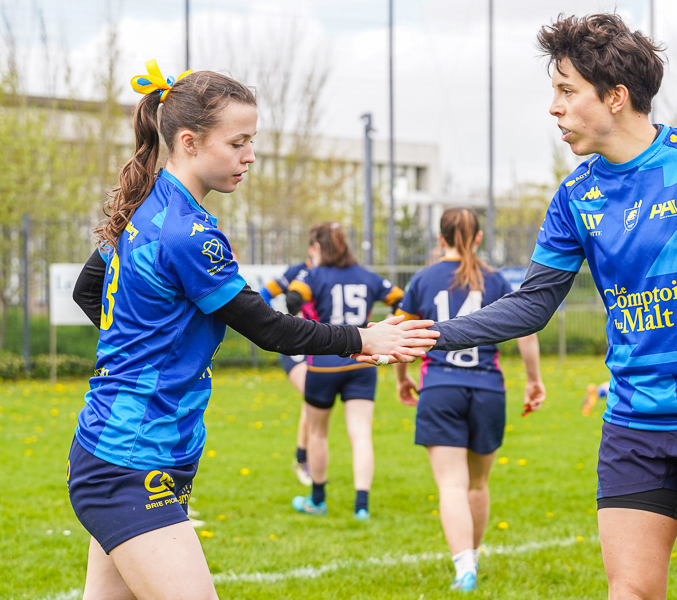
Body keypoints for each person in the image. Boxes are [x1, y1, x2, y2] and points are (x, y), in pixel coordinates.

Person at [407, 15, 677, 600]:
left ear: (616, 97)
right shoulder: (576, 195)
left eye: (567, 90)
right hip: (633, 424)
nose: (554, 107)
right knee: (630, 592)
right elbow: (531, 306)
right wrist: (430, 334)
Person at [67, 60, 438, 600]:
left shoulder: (147, 208)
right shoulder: (188, 232)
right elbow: (267, 328)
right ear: (190, 143)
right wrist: (364, 339)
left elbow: (88, 290)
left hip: (129, 450)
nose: (250, 156)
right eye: (238, 142)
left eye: (252, 141)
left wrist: (147, 344)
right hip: (132, 459)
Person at [394, 207, 545, 592]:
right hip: (488, 389)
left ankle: (464, 569)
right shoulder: (494, 280)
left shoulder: (424, 278)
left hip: (440, 386)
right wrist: (533, 380)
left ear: (440, 238)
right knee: (477, 485)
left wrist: (402, 377)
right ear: (479, 238)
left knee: (451, 485)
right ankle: (472, 559)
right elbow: (526, 331)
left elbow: (402, 331)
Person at [285, 222, 405, 520]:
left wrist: (307, 327)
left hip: (324, 362)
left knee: (317, 433)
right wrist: (384, 326)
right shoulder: (367, 276)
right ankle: (361, 506)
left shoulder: (313, 275)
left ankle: (317, 499)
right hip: (362, 361)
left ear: (319, 247)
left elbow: (292, 299)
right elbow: (403, 301)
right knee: (361, 434)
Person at [260, 251, 317, 486]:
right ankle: (303, 459)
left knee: (313, 401)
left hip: (320, 345)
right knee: (311, 395)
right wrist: (280, 322)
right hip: (296, 345)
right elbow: (264, 293)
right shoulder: (296, 272)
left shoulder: (330, 274)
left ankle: (305, 457)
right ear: (313, 248)